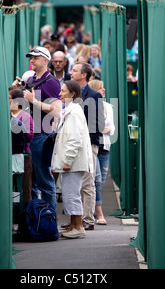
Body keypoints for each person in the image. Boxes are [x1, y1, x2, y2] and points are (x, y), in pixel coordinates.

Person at [12, 46, 61, 211]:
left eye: (35, 58)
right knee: (30, 182)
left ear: (45, 61)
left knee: (44, 181)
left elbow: (56, 111)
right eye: (30, 58)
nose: (31, 61)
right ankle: (35, 221)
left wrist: (34, 101)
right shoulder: (30, 80)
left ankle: (49, 220)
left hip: (42, 136)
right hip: (28, 136)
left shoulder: (52, 82)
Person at [52, 80, 93, 239]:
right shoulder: (70, 111)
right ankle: (73, 225)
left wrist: (67, 160)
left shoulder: (74, 112)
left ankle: (78, 227)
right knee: (70, 194)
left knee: (72, 194)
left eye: (63, 91)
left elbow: (74, 139)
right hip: (71, 162)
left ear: (72, 94)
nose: (60, 94)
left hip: (73, 163)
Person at [69, 62, 105, 230]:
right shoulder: (70, 94)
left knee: (87, 182)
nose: (71, 72)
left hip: (88, 144)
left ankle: (88, 219)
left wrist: (88, 142)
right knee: (74, 182)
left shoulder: (94, 95)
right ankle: (75, 220)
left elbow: (98, 123)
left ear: (83, 75)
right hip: (72, 144)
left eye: (74, 70)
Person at [88, 80, 115, 225]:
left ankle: (90, 207)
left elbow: (113, 128)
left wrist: (109, 130)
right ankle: (99, 214)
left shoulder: (109, 107)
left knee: (101, 181)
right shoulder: (89, 106)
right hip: (94, 145)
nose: (103, 89)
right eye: (100, 88)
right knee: (96, 180)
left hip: (105, 146)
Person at [9, 87, 34, 203]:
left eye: (9, 98)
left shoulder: (25, 116)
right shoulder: (6, 115)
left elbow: (28, 137)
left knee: (25, 188)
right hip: (11, 155)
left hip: (23, 156)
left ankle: (26, 216)